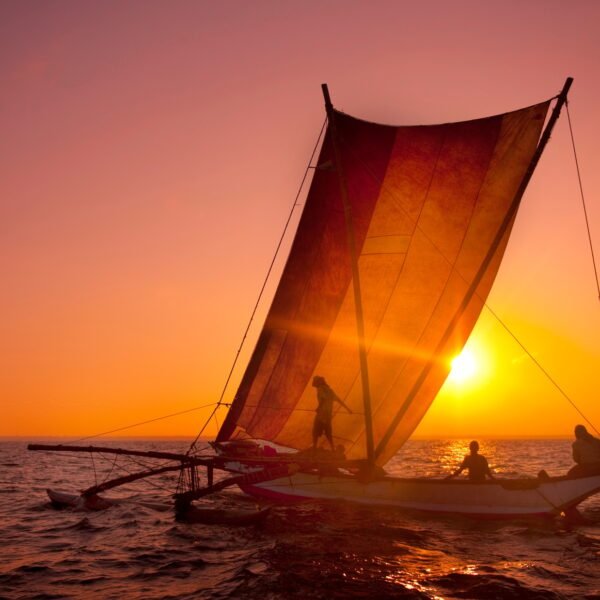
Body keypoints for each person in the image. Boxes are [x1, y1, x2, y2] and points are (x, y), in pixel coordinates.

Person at [311, 375, 352, 451]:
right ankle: (332, 448)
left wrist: (318, 408)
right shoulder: (330, 391)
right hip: (328, 415)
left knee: (315, 430)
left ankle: (314, 447)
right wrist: (348, 409)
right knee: (328, 432)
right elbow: (339, 400)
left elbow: (323, 399)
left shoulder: (320, 389)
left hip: (321, 414)